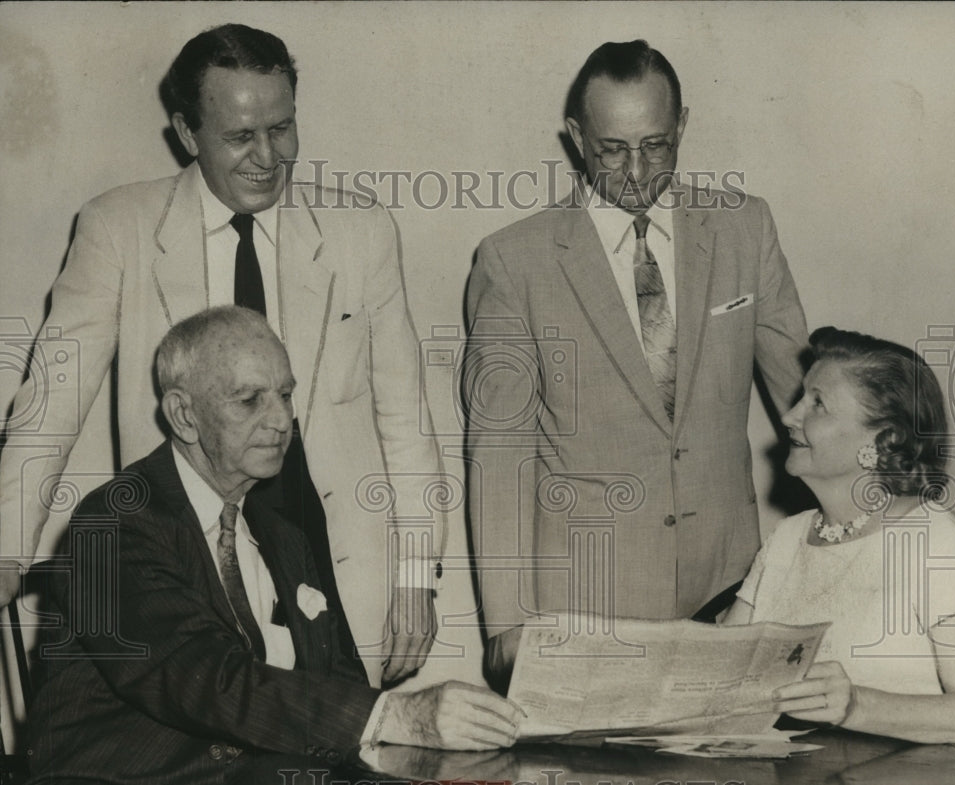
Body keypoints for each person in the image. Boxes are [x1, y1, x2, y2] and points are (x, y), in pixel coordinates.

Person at [0, 23, 442, 685]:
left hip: (338, 573)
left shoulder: (362, 232)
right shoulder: (118, 228)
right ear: (186, 133)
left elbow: (406, 421)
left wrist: (416, 576)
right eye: (240, 136)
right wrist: (6, 547)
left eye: (282, 128)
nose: (268, 157)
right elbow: (50, 404)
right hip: (193, 567)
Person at [26, 307, 520, 785]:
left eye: (286, 395)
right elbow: (204, 679)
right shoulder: (114, 522)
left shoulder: (283, 535)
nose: (282, 419)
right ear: (183, 414)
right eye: (250, 400)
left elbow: (339, 679)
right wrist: (399, 716)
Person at [465, 40, 808, 680]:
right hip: (585, 607)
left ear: (682, 126)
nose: (635, 171)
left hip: (729, 593)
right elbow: (498, 455)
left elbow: (811, 403)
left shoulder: (745, 228)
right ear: (576, 137)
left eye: (656, 146)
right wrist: (509, 628)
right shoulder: (514, 262)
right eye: (612, 150)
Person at [724, 327, 955, 745]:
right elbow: (721, 665)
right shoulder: (787, 537)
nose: (788, 417)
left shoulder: (930, 537)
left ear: (883, 438)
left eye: (818, 403)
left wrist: (856, 705)